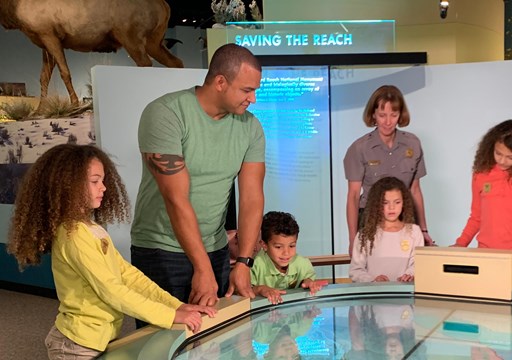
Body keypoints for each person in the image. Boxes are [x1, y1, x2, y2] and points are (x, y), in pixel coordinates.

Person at [6, 144, 215, 360]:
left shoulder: (91, 228)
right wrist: (170, 316)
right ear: (68, 186)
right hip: (76, 347)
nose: (104, 187)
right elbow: (112, 290)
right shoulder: (74, 235)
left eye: (103, 180)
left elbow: (128, 275)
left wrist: (177, 305)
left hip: (98, 339)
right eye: (95, 181)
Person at [130, 43, 265, 311]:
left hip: (215, 249)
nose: (253, 99)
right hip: (161, 249)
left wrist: (244, 261)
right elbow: (175, 199)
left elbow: (252, 197)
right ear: (220, 82)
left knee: (216, 345)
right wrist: (202, 269)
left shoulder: (250, 126)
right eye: (247, 90)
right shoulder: (166, 113)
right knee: (163, 345)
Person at [343, 85, 433, 255]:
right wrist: (352, 239)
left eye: (393, 115)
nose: (388, 121)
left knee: (407, 272)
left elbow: (415, 190)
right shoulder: (359, 148)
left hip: (405, 219)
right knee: (373, 273)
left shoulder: (413, 144)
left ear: (400, 116)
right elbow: (353, 196)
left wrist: (424, 230)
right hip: (371, 219)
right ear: (373, 115)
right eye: (382, 115)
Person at [453, 120, 512, 261]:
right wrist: (461, 243)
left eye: (511, 157)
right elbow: (476, 217)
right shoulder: (481, 175)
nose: (502, 161)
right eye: (498, 153)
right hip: (485, 254)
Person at [349, 176, 423, 282]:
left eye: (397, 202)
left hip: (405, 295)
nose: (391, 207)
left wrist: (409, 275)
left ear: (404, 203)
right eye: (385, 203)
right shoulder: (365, 234)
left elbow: (417, 264)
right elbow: (355, 270)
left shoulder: (414, 232)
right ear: (376, 205)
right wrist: (373, 280)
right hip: (374, 295)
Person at [251, 211, 326, 304]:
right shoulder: (254, 264)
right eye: (278, 247)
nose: (286, 253)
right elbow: (241, 293)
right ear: (264, 245)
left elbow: (309, 281)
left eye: (292, 246)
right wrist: (260, 289)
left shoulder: (303, 263)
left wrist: (309, 282)